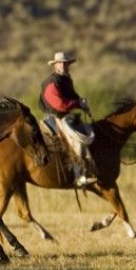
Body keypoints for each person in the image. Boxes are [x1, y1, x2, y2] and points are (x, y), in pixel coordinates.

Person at [40, 51, 97, 187]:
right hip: (56, 118)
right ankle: (79, 176)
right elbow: (59, 104)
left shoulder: (66, 80)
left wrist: (81, 102)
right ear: (56, 65)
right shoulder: (51, 83)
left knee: (88, 133)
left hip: (66, 117)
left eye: (66, 63)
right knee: (76, 140)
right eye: (61, 63)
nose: (64, 66)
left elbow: (72, 96)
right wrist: (77, 104)